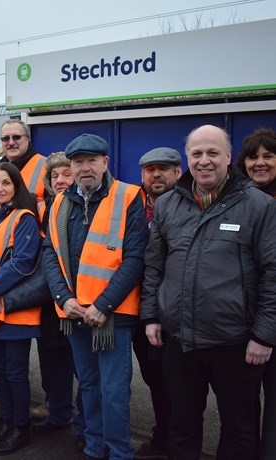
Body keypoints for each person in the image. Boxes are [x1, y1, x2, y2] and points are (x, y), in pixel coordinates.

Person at [141, 125, 276, 460]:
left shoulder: (259, 206)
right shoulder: (168, 204)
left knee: (240, 430)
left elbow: (273, 273)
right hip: (180, 340)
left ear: (229, 157)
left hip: (236, 343)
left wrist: (264, 334)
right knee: (181, 426)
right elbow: (154, 267)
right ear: (187, 159)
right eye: (197, 154)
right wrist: (152, 316)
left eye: (213, 153)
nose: (204, 161)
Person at [43, 133, 148, 460]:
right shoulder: (60, 201)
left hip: (111, 317)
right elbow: (51, 252)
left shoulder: (129, 196)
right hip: (75, 315)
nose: (84, 168)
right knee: (88, 386)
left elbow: (135, 258)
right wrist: (63, 298)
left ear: (105, 162)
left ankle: (118, 453)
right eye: (78, 162)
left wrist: (103, 306)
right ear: (70, 166)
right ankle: (93, 448)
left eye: (91, 161)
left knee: (114, 392)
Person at [0, 162, 42, 456]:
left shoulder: (24, 218)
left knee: (15, 373)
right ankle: (6, 420)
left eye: (5, 183)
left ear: (16, 187)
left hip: (14, 311)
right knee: (0, 371)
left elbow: (22, 262)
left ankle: (20, 427)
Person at [133, 147, 182, 460]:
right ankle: (163, 436)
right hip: (139, 310)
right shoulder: (131, 206)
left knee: (179, 382)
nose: (156, 175)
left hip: (176, 312)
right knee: (153, 377)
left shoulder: (188, 206)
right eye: (150, 169)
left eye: (163, 168)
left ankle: (177, 441)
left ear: (178, 172)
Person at [32, 153, 84, 444]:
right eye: (56, 176)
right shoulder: (42, 211)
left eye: (67, 173)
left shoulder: (88, 207)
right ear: (49, 183)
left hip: (79, 302)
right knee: (52, 362)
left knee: (83, 369)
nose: (62, 180)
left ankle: (85, 426)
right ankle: (59, 414)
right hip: (49, 303)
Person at [234, 127, 276, 460]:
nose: (259, 163)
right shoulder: (240, 200)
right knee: (244, 404)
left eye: (268, 156)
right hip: (246, 321)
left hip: (270, 320)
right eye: (252, 157)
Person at [0, 120, 47, 205]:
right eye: (5, 138)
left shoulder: (46, 166)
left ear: (27, 139)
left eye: (16, 137)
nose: (11, 143)